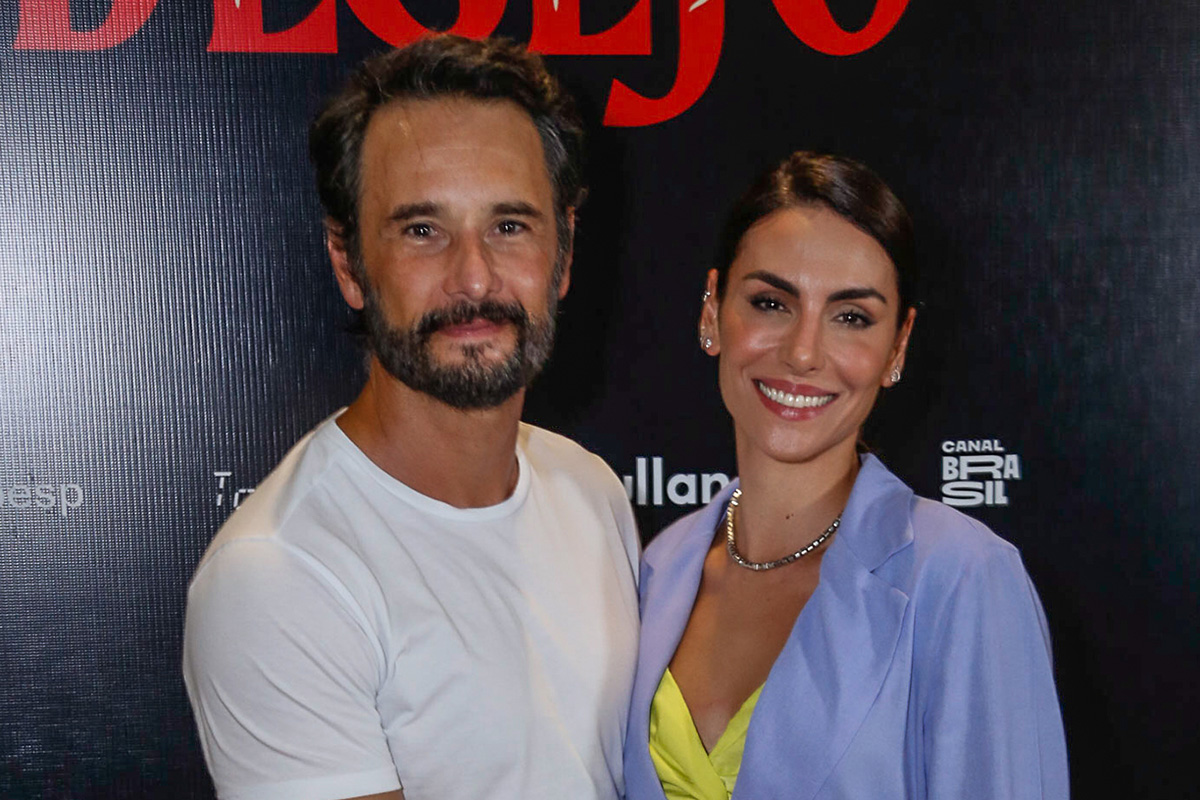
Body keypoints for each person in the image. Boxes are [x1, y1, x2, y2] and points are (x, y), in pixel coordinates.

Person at [183, 36, 640, 800]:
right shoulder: (279, 575)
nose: (474, 277)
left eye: (510, 225)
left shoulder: (590, 490)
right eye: (423, 230)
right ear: (349, 263)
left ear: (562, 254)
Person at [623, 152, 1069, 799]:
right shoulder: (658, 568)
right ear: (711, 311)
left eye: (851, 316)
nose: (803, 352)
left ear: (898, 346)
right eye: (771, 303)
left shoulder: (963, 578)